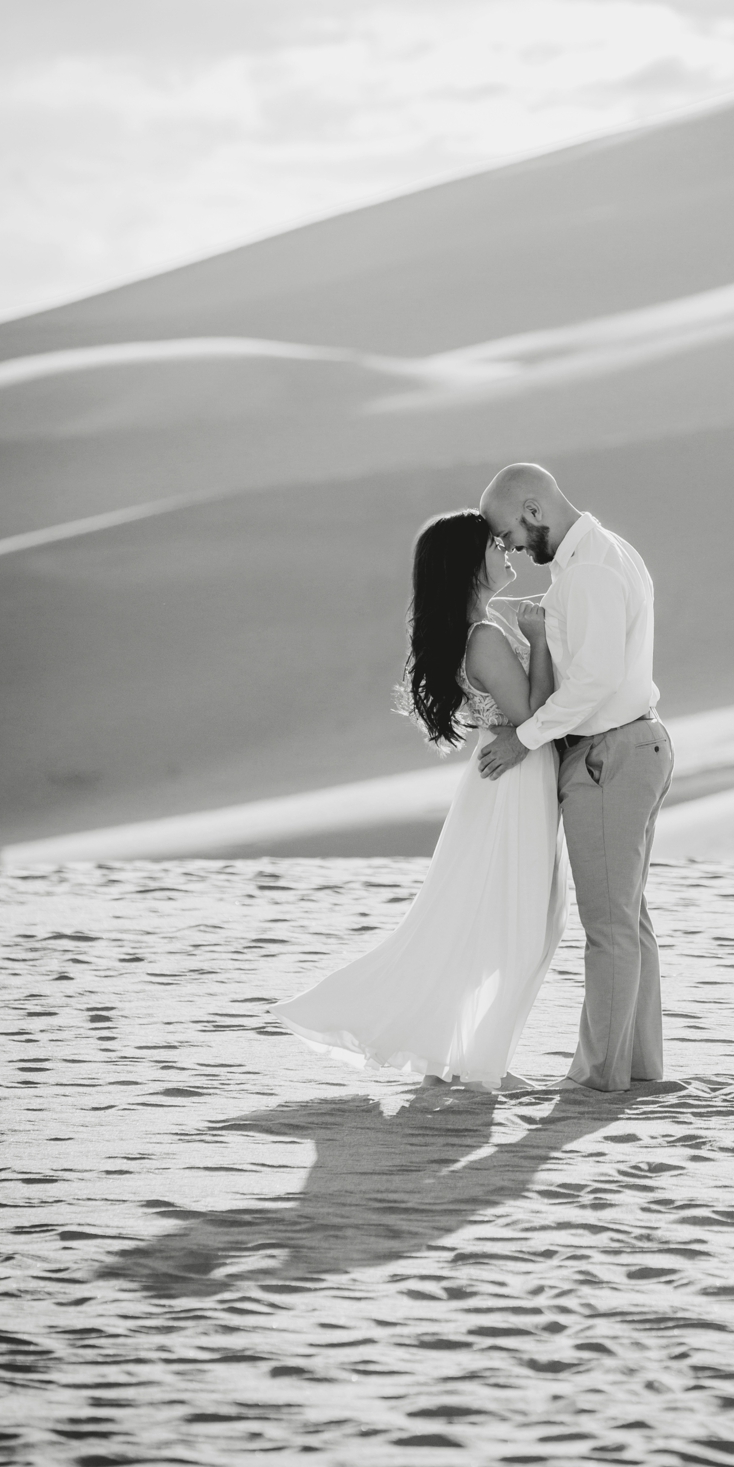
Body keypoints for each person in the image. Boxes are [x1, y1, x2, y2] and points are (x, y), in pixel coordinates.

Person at [273, 508, 568, 1086]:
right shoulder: (484, 637)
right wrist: (540, 641)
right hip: (513, 784)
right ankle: (479, 1063)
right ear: (468, 564)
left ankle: (465, 1057)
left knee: (512, 923)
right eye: (493, 545)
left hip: (508, 781)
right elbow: (534, 717)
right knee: (517, 926)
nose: (506, 550)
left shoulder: (484, 625)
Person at [474, 463, 670, 1093]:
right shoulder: (599, 557)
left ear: (534, 508)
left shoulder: (586, 571)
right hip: (629, 747)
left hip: (609, 755)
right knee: (627, 921)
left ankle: (595, 1080)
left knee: (609, 928)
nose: (509, 548)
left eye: (509, 533)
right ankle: (635, 1070)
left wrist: (522, 739)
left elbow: (595, 682)